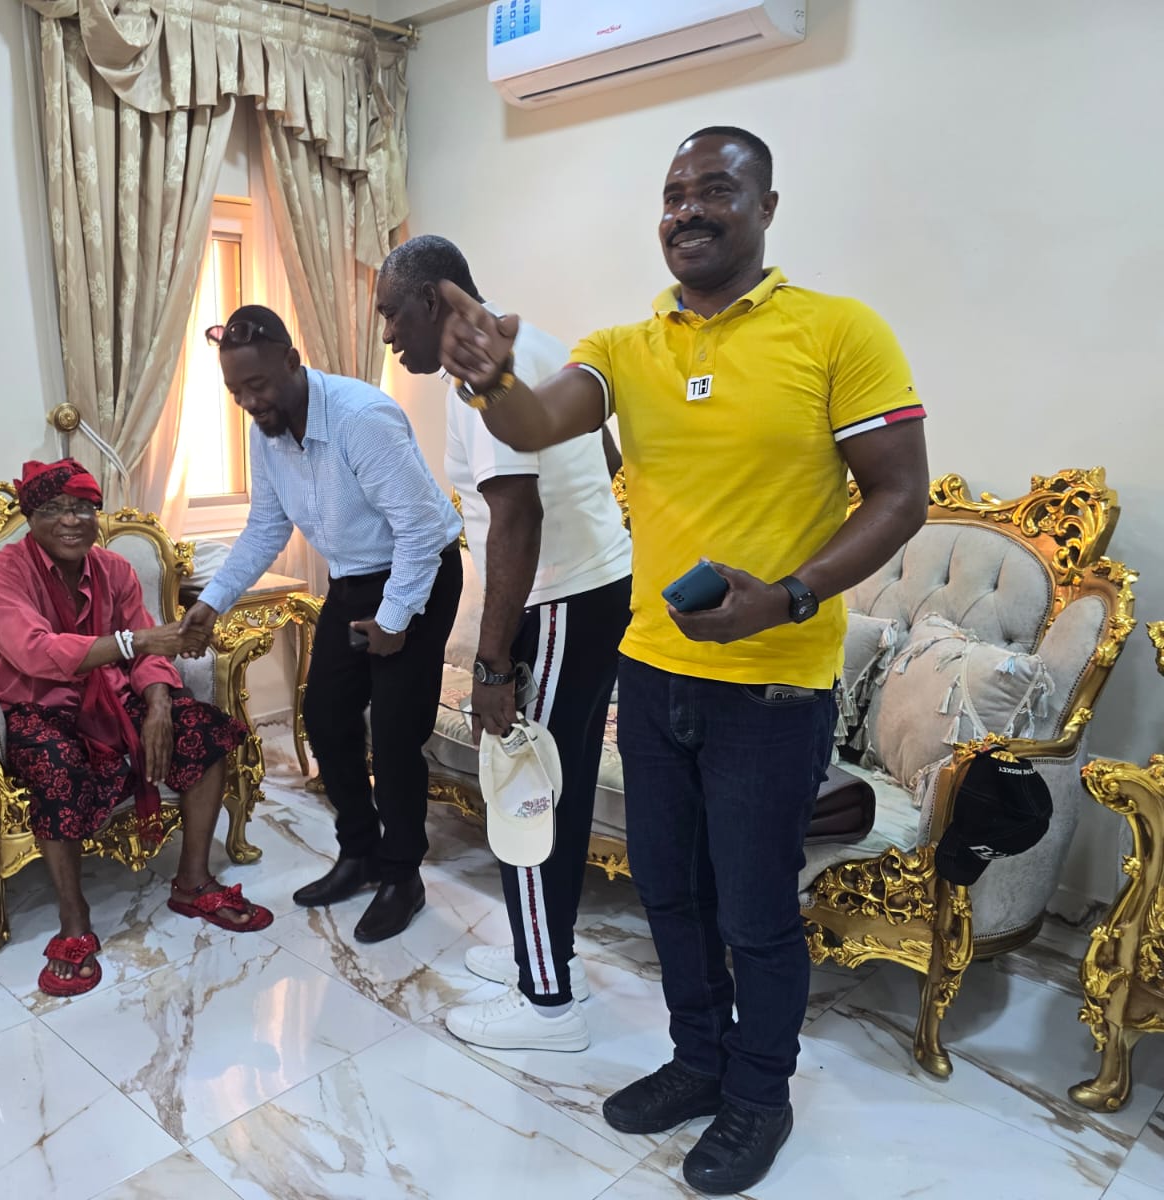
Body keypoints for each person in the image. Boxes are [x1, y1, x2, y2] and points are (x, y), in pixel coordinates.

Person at [435, 127, 929, 1195]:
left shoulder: (838, 331)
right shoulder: (624, 347)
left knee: (754, 911)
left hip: (773, 686)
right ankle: (699, 1060)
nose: (688, 210)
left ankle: (759, 1094)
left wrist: (788, 596)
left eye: (716, 189)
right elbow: (537, 420)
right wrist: (490, 377)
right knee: (668, 894)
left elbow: (900, 495)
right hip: (652, 673)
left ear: (766, 207)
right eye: (672, 194)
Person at [374, 234, 632, 1052]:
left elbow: (516, 516)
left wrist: (492, 667)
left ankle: (547, 1002)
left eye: (391, 314)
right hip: (596, 591)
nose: (388, 335)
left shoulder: (477, 378)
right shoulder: (538, 344)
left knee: (526, 792)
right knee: (560, 789)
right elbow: (606, 456)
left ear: (433, 300)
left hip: (558, 603)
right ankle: (546, 954)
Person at [180, 306, 463, 944]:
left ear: (291, 361)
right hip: (354, 579)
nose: (248, 402)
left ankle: (403, 876)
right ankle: (360, 853)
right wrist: (215, 599)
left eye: (257, 385)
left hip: (417, 572)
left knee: (394, 732)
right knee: (327, 717)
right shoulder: (267, 430)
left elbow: (421, 530)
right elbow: (267, 526)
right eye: (235, 392)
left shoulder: (362, 418)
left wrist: (395, 618)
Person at [0, 458, 272, 998]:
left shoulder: (115, 569)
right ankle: (74, 919)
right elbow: (35, 652)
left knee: (204, 730)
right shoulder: (0, 574)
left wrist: (158, 704)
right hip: (38, 707)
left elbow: (149, 656)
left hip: (115, 699)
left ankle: (193, 882)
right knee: (56, 765)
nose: (72, 520)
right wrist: (137, 643)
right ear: (30, 518)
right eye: (55, 509)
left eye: (83, 508)